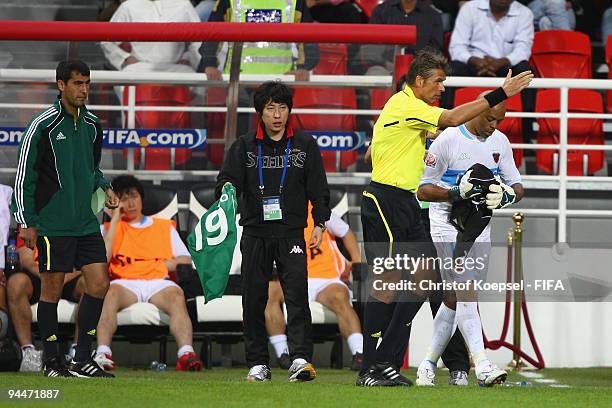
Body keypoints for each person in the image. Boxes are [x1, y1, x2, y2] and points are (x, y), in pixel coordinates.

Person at [358, 47, 531, 387]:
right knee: (387, 285)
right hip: (386, 200)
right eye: (438, 82)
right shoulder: (406, 105)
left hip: (403, 202)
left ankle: (388, 361)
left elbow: (373, 151)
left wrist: (396, 148)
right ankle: (371, 367)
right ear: (419, 81)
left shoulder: (408, 110)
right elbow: (452, 119)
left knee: (426, 279)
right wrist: (500, 92)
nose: (441, 88)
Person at [216, 81, 330, 382]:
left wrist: (319, 223)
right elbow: (226, 182)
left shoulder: (305, 145)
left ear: (289, 110)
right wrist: (227, 190)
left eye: (282, 107)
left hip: (292, 231)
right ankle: (257, 363)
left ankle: (300, 359)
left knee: (296, 296)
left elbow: (319, 189)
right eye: (270, 108)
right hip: (254, 232)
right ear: (260, 113)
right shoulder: (243, 146)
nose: (277, 114)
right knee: (252, 298)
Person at [11, 60, 118, 378]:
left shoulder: (93, 125)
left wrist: (103, 184)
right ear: (61, 85)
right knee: (51, 290)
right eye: (77, 83)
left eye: (87, 83)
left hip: (86, 222)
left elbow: (92, 167)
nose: (84, 90)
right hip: (51, 223)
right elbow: (24, 178)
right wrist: (25, 221)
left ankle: (83, 358)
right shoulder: (41, 125)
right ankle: (53, 361)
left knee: (99, 284)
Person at [415, 95, 524, 387]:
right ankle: (482, 363)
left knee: (454, 298)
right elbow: (422, 190)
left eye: (499, 120)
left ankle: (427, 363)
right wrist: (456, 192)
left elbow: (517, 185)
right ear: (477, 110)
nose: (494, 125)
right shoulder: (447, 140)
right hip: (445, 225)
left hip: (479, 227)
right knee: (465, 287)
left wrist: (507, 196)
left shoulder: (500, 142)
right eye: (490, 118)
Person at [94, 175, 203, 372]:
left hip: (158, 281)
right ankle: (103, 353)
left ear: (142, 198)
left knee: (177, 296)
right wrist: (116, 220)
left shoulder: (164, 227)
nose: (131, 202)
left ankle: (186, 354)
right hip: (124, 282)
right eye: (124, 198)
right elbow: (103, 259)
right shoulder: (108, 228)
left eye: (133, 196)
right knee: (109, 294)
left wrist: (159, 265)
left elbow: (185, 259)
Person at [265, 203, 364, 371]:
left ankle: (359, 353)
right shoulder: (275, 210)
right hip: (292, 277)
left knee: (340, 297)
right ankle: (283, 354)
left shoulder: (318, 210)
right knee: (270, 293)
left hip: (326, 279)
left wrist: (356, 261)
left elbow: (346, 232)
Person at [6, 231, 85, 372]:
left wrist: (61, 278)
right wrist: (51, 278)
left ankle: (78, 351)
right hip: (41, 274)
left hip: (70, 275)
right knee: (16, 283)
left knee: (90, 284)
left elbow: (86, 260)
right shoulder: (31, 221)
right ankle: (28, 352)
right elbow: (27, 260)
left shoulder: (76, 219)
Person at [100, 0, 202, 100]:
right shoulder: (129, 6)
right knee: (124, 80)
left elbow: (199, 39)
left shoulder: (183, 4)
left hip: (176, 68)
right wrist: (126, 58)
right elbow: (107, 40)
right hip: (139, 68)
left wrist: (187, 57)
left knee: (200, 82)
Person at [446, 0, 534, 110]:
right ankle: (445, 120)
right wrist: (476, 61)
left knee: (525, 71)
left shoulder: (525, 13)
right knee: (451, 70)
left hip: (505, 67)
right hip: (473, 65)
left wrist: (501, 62)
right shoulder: (470, 8)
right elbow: (457, 46)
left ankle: (528, 123)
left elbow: (523, 50)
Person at [361, 0, 444, 76]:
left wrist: (416, 64)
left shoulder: (433, 15)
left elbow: (435, 49)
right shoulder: (381, 11)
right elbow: (371, 46)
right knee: (375, 74)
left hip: (420, 69)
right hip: (385, 66)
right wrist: (384, 62)